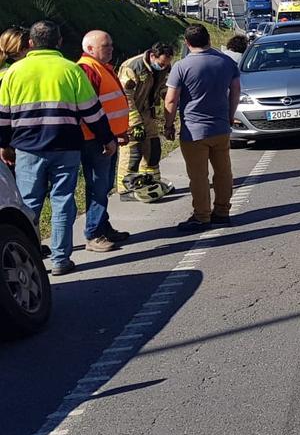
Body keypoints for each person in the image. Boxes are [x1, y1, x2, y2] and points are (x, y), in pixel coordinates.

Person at [0, 20, 117, 275]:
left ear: (30, 43)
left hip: (27, 148)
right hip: (66, 146)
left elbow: (3, 116)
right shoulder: (71, 70)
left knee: (29, 203)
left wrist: (4, 144)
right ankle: (61, 260)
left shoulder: (13, 73)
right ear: (60, 42)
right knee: (63, 201)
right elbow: (92, 111)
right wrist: (107, 137)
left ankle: (31, 258)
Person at [164, 24, 240, 232]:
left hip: (193, 130)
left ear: (187, 44)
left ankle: (202, 215)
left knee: (198, 176)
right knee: (223, 171)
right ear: (209, 39)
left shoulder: (181, 67)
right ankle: (222, 211)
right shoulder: (226, 62)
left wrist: (168, 125)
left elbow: (171, 100)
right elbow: (235, 92)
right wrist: (230, 116)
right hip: (221, 128)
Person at [77, 30, 131, 250]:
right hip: (96, 140)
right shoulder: (87, 69)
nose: (110, 49)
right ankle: (94, 233)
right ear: (90, 49)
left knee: (105, 184)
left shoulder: (102, 67)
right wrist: (105, 137)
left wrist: (119, 132)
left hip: (108, 137)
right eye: (105, 46)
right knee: (98, 185)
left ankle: (102, 225)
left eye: (110, 45)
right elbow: (88, 110)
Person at [117, 42, 176, 199]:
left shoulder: (165, 68)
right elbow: (125, 97)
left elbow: (164, 89)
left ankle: (152, 183)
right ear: (152, 56)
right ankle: (126, 188)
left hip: (149, 113)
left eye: (167, 64)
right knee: (133, 151)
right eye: (161, 64)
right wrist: (135, 122)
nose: (163, 67)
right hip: (131, 114)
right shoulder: (132, 67)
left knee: (153, 148)